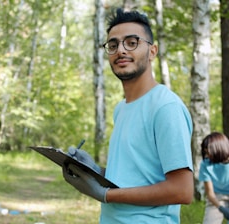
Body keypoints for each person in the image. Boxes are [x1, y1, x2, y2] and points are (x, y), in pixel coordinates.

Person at [62, 8, 194, 223]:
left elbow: (182, 190)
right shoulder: (121, 108)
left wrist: (105, 195)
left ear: (152, 51)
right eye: (113, 45)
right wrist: (94, 170)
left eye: (131, 42)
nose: (120, 50)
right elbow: (133, 178)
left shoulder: (165, 106)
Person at [199, 132, 229, 223]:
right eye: (205, 152)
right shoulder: (206, 164)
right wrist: (222, 209)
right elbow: (210, 194)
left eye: (208, 152)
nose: (207, 155)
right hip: (216, 198)